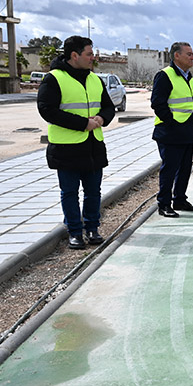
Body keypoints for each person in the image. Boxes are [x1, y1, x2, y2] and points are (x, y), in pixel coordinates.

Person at [37, 35, 115, 249]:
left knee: (93, 192)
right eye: (89, 54)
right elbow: (47, 110)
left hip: (93, 146)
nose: (93, 58)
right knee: (70, 192)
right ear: (74, 55)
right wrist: (82, 124)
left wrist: (101, 119)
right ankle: (74, 231)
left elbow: (109, 107)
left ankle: (92, 228)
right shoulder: (54, 79)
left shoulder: (95, 79)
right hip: (66, 148)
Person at [151, 42, 193, 217]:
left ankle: (179, 199)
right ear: (177, 56)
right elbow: (158, 103)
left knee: (185, 168)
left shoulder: (189, 77)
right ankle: (164, 204)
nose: (192, 57)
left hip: (187, 130)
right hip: (170, 131)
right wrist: (171, 123)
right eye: (189, 54)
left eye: (192, 54)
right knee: (170, 169)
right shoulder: (165, 76)